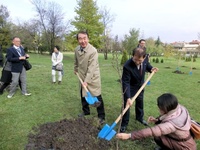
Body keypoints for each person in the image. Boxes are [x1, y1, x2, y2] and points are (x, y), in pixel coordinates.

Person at [116, 93, 196, 150]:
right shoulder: (179, 108)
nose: (158, 109)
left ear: (165, 109)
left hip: (184, 147)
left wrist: (129, 135)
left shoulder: (171, 125)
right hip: (183, 141)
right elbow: (168, 116)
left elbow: (151, 131)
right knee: (159, 135)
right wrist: (157, 120)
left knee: (157, 136)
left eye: (160, 107)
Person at [120, 47, 158, 132]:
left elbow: (146, 65)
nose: (137, 62)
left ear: (144, 58)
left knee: (140, 102)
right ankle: (124, 123)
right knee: (126, 105)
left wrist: (151, 68)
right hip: (131, 87)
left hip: (141, 86)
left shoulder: (144, 60)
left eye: (139, 60)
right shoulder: (127, 65)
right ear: (133, 56)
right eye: (135, 59)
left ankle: (139, 118)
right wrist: (128, 97)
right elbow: (125, 82)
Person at [74, 31, 105, 124]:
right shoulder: (76, 49)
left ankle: (101, 116)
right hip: (82, 75)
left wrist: (86, 81)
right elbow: (76, 60)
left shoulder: (93, 51)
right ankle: (86, 111)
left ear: (88, 39)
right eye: (80, 38)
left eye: (85, 38)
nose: (83, 41)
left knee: (97, 95)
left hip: (93, 77)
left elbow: (92, 68)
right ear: (78, 40)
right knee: (83, 94)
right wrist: (75, 68)